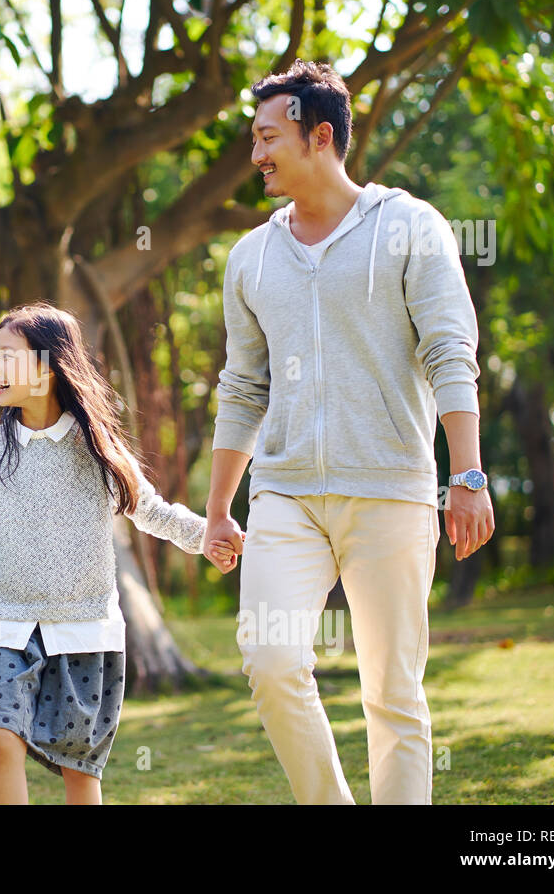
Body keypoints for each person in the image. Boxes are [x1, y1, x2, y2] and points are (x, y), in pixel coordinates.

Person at [202, 60, 494, 804]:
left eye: (269, 137)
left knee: (393, 694)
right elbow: (242, 388)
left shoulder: (409, 227)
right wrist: (217, 508)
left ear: (320, 135)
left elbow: (450, 351)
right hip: (286, 495)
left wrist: (466, 476)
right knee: (269, 660)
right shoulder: (251, 257)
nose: (257, 155)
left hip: (389, 488)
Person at [0, 302, 208, 804]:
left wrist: (210, 537)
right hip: (4, 628)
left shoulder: (99, 449)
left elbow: (152, 512)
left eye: (8, 355)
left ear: (49, 366)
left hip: (85, 628)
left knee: (79, 767)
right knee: (2, 740)